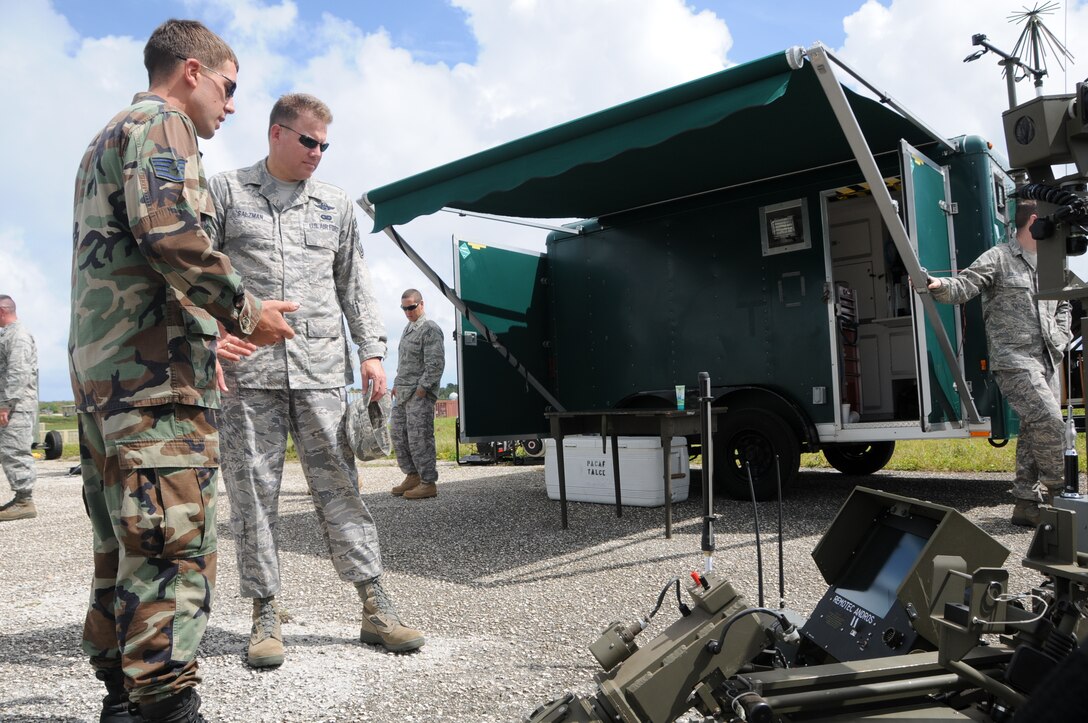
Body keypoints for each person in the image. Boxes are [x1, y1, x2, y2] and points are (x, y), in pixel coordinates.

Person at [70, 19, 297, 722]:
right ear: (191, 72)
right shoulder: (163, 126)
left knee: (123, 545)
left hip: (114, 382)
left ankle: (123, 697)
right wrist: (243, 310)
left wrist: (203, 333)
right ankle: (165, 706)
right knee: (172, 547)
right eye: (229, 88)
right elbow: (173, 235)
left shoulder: (106, 138)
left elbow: (135, 257)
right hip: (151, 390)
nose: (232, 106)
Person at [208, 93, 425, 668]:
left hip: (321, 372)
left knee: (342, 492)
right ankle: (264, 613)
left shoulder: (333, 205)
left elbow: (355, 282)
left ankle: (375, 606)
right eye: (308, 141)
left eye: (326, 145)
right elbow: (196, 271)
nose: (318, 154)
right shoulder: (226, 192)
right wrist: (207, 333)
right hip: (248, 376)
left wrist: (373, 353)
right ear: (276, 134)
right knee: (253, 496)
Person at [927, 198, 1072, 527]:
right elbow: (965, 284)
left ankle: (1024, 503)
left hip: (1048, 359)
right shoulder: (1000, 257)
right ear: (1035, 220)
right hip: (1014, 360)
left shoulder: (1052, 263)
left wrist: (1062, 337)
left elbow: (1063, 304)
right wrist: (937, 285)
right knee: (1050, 422)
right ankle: (1061, 498)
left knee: (1033, 427)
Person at [390, 289, 446, 500]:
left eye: (411, 307)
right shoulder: (407, 329)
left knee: (419, 438)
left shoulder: (430, 329)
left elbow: (436, 364)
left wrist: (423, 389)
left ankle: (428, 482)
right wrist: (396, 383)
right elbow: (404, 362)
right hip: (402, 392)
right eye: (404, 308)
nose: (408, 312)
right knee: (399, 435)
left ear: (421, 304)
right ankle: (412, 476)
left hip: (418, 394)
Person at [0, 295, 39, 522]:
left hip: (17, 407)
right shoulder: (9, 336)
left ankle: (24, 501)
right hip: (12, 405)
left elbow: (18, 373)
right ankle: (20, 499)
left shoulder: (19, 337)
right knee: (7, 450)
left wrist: (6, 405)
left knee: (15, 450)